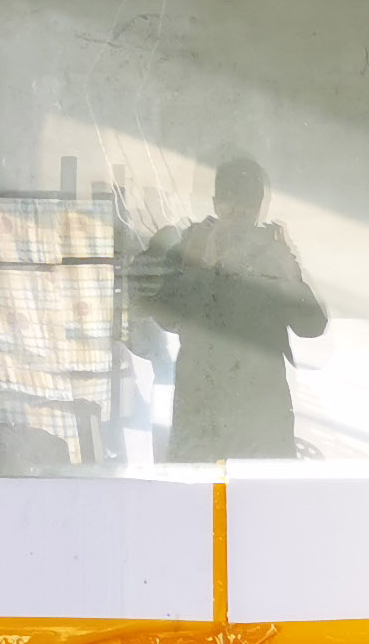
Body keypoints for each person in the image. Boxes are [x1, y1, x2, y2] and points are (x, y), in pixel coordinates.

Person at [128, 154, 327, 460]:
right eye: (229, 202)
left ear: (260, 206)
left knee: (258, 488)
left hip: (260, 410)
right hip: (201, 406)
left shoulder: (271, 251)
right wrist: (201, 265)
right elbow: (166, 317)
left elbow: (312, 326)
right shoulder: (192, 244)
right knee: (206, 489)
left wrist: (288, 275)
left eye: (248, 203)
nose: (238, 213)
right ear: (215, 202)